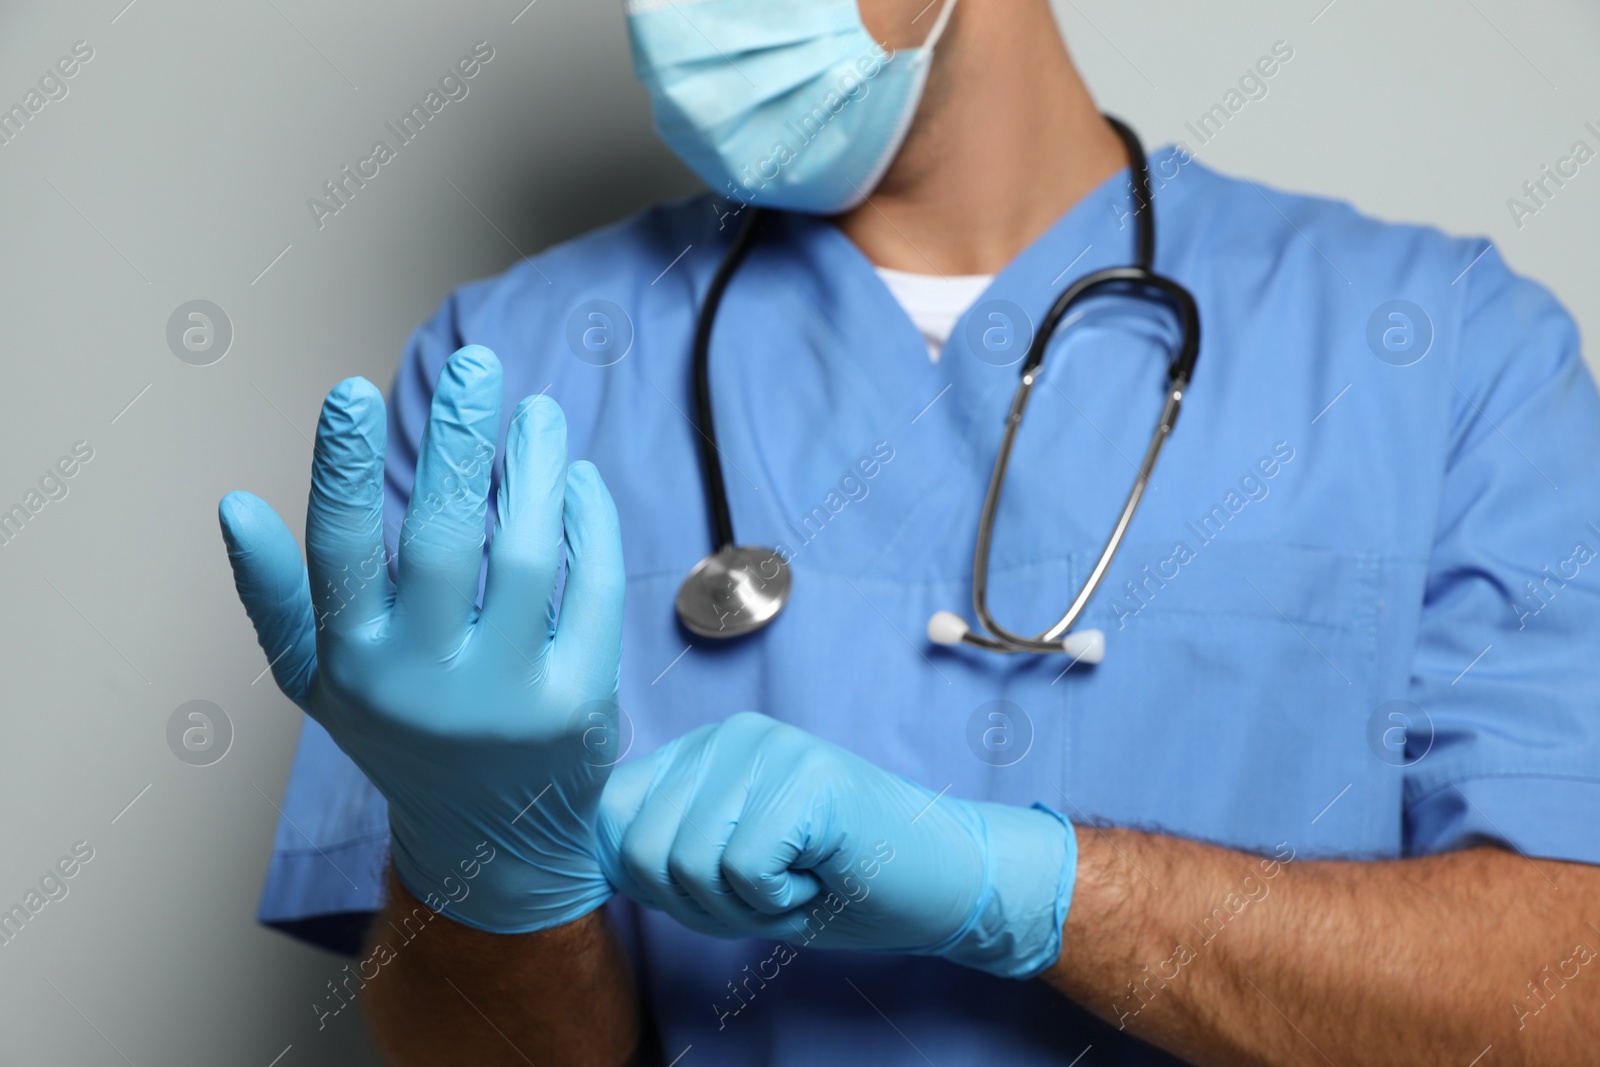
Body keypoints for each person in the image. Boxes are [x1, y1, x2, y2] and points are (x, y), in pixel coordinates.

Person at [217, 0, 1600, 1063]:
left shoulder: (1446, 353)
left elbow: (1568, 1003)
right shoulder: (507, 374)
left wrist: (1036, 891)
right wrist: (491, 863)